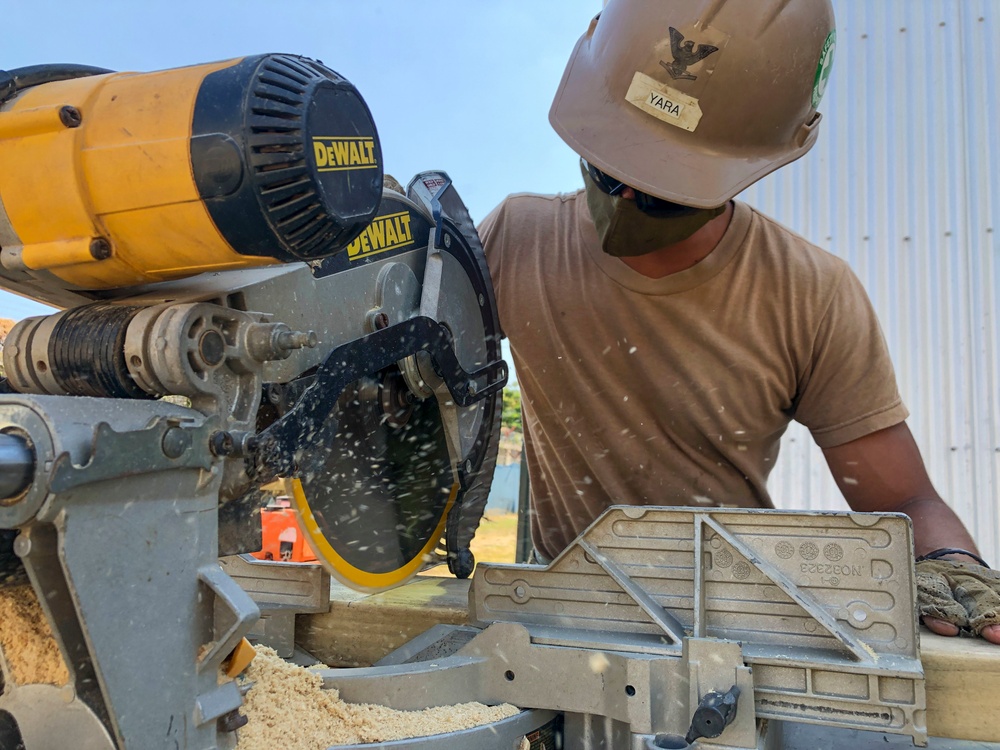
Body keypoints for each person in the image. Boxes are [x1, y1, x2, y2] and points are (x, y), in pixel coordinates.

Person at [477, 0, 1000, 643]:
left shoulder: (809, 293)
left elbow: (908, 502)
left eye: (665, 186)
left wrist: (953, 566)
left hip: (736, 629)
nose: (630, 200)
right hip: (563, 620)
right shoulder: (517, 240)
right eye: (611, 170)